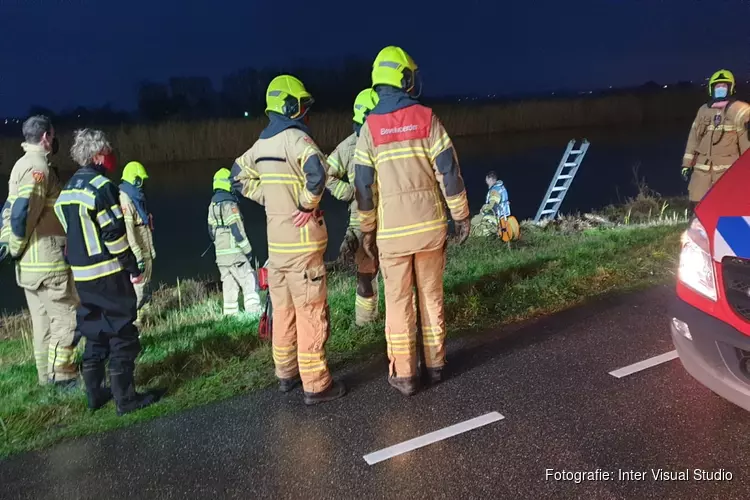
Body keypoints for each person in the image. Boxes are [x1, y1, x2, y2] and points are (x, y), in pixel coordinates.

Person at [353, 46, 471, 396]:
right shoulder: (427, 118)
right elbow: (448, 171)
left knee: (399, 303)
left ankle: (405, 375)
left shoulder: (369, 129)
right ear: (404, 78)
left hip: (392, 236)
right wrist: (461, 215)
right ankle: (435, 366)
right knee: (431, 297)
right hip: (430, 229)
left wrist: (368, 230)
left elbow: (363, 186)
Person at [231, 75, 346, 405]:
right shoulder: (296, 140)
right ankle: (317, 384)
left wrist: (268, 198)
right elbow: (318, 173)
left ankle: (286, 373)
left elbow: (236, 176)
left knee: (283, 313)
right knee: (311, 313)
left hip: (277, 251)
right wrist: (306, 204)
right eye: (302, 105)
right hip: (303, 247)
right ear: (291, 106)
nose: (306, 112)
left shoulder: (261, 145)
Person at [54, 129, 160, 415]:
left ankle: (95, 396)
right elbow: (114, 235)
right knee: (122, 333)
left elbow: (69, 231)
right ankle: (126, 400)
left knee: (94, 333)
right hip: (108, 274)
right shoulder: (102, 187)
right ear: (99, 154)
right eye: (108, 151)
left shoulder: (68, 190)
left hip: (83, 277)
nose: (111, 156)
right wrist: (132, 266)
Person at [0, 115, 78, 388]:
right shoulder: (38, 168)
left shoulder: (20, 165)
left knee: (43, 324)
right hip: (47, 261)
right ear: (46, 137)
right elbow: (22, 213)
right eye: (53, 136)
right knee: (67, 317)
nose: (54, 141)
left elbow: (7, 211)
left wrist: (10, 246)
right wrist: (16, 245)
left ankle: (45, 378)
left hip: (30, 266)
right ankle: (64, 376)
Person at [326, 88, 381, 325]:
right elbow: (326, 175)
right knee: (365, 275)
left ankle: (399, 322)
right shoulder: (348, 147)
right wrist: (348, 193)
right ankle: (365, 323)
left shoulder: (386, 139)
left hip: (391, 217)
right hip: (361, 221)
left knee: (396, 273)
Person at [682, 69, 750, 210]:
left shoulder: (738, 110)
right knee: (697, 206)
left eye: (724, 86)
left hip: (727, 172)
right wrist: (686, 165)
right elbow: (693, 138)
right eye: (717, 87)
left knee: (728, 206)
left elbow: (745, 143)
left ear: (730, 88)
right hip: (702, 171)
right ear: (712, 89)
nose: (720, 89)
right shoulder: (703, 110)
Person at [208, 167, 262, 316]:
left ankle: (230, 315)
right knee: (248, 279)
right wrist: (248, 251)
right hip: (235, 253)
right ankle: (254, 312)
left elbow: (211, 232)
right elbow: (237, 231)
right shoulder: (230, 205)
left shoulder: (212, 206)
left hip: (221, 257)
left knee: (229, 285)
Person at [119, 161, 156, 327]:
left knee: (146, 288)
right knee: (139, 290)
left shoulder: (137, 199)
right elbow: (129, 232)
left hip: (146, 249)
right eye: (140, 180)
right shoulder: (126, 199)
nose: (142, 184)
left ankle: (144, 322)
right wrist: (137, 256)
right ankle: (131, 325)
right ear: (134, 180)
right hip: (139, 253)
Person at [471, 171, 511, 237]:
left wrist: (483, 209)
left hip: (497, 216)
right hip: (505, 214)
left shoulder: (494, 190)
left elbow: (491, 205)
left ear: (488, 179)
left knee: (473, 221)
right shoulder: (501, 187)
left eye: (486, 179)